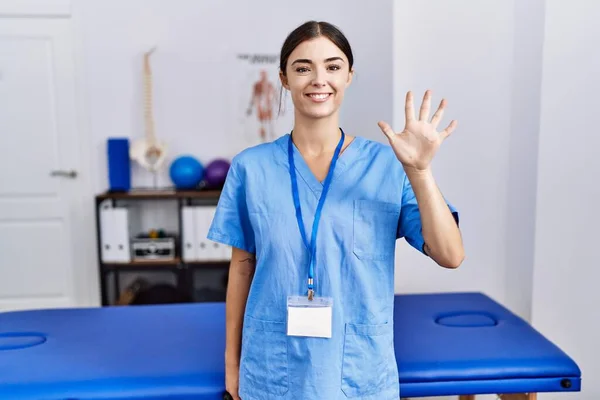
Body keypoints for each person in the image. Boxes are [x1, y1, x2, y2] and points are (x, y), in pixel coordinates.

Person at [207, 20, 464, 400]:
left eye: (332, 66)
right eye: (302, 67)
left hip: (359, 372)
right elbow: (242, 266)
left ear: (348, 76)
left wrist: (420, 171)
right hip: (271, 369)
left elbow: (451, 255)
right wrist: (232, 365)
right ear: (284, 78)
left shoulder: (388, 165)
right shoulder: (251, 167)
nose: (318, 79)